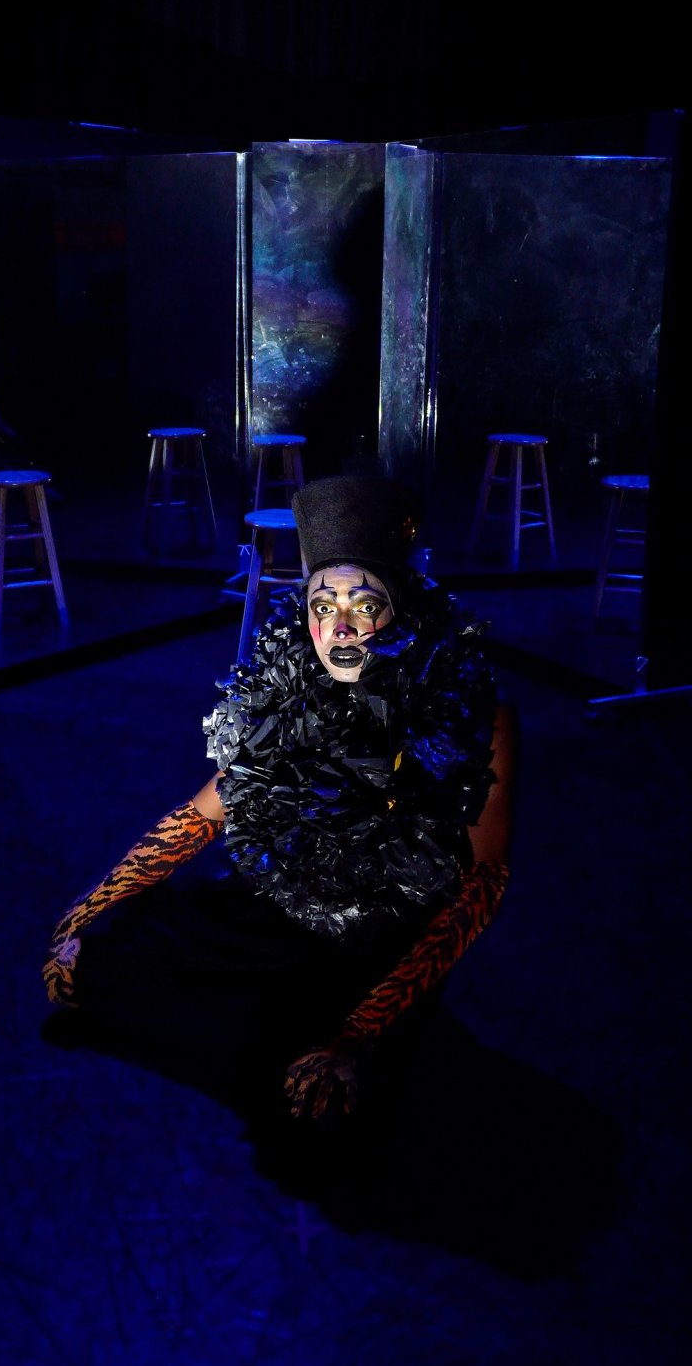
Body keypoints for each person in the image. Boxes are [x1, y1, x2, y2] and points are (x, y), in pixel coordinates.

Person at [43, 473, 514, 1132]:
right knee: (91, 966)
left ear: (402, 609)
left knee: (311, 1093)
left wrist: (359, 1030)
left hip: (383, 930)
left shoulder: (476, 712)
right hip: (281, 905)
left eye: (364, 604)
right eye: (324, 605)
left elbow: (484, 880)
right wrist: (90, 905)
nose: (340, 626)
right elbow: (202, 814)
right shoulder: (290, 689)